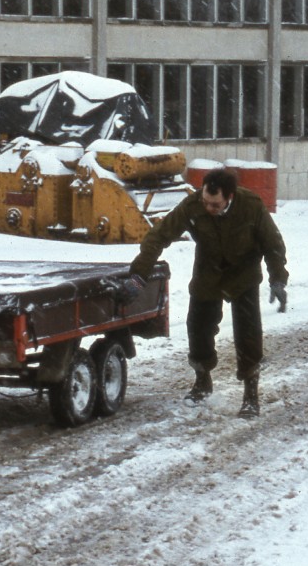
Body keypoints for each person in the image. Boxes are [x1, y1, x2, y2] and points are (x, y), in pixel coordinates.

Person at [118, 168, 288, 418]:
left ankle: (251, 393)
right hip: (208, 272)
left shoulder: (250, 206)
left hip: (243, 274)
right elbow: (160, 235)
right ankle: (202, 380)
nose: (209, 207)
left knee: (248, 332)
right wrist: (138, 275)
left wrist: (278, 280)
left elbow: (273, 244)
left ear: (229, 197)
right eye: (206, 202)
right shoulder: (192, 205)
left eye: (215, 204)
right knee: (198, 326)